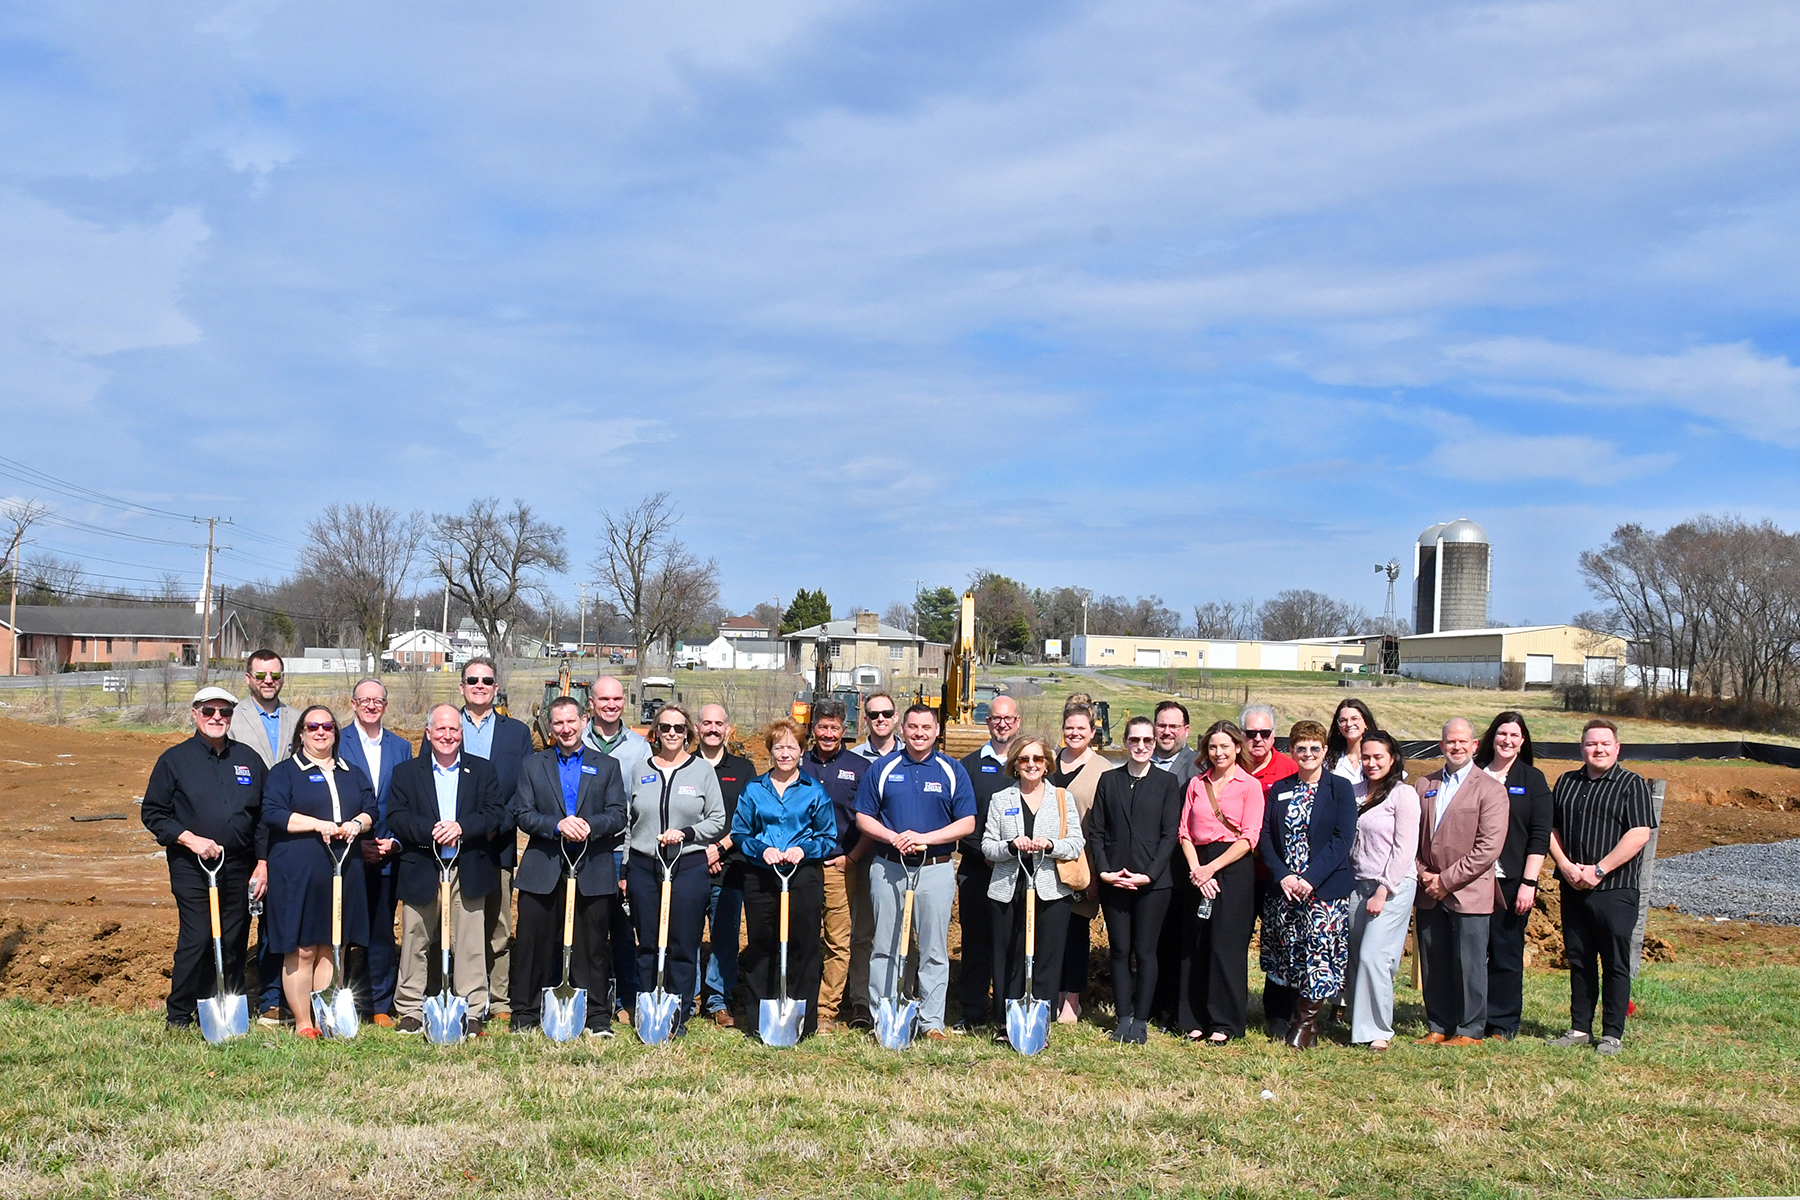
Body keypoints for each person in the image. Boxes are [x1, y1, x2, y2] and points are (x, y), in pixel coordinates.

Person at [140, 686, 268, 1030]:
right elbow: (154, 812)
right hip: (192, 866)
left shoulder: (249, 760)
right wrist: (190, 839)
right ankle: (179, 1013)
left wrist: (262, 862)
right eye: (209, 711)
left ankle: (221, 1005)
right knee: (197, 938)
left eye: (224, 712)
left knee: (234, 938)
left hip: (239, 865)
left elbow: (262, 818)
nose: (217, 718)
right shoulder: (175, 760)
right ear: (195, 714)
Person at [854, 703, 977, 1041]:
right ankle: (885, 1015)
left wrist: (924, 839)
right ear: (902, 729)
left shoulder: (953, 770)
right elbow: (863, 816)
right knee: (886, 945)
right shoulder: (882, 767)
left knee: (934, 948)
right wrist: (894, 838)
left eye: (926, 727)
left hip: (935, 870)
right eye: (913, 727)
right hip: (889, 867)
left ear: (937, 731)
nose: (919, 733)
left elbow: (967, 822)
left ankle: (931, 1021)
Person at [509, 696, 628, 1037]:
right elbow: (522, 813)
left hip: (592, 867)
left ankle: (596, 1018)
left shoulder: (606, 766)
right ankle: (525, 1015)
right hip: (543, 867)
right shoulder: (534, 765)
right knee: (533, 943)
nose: (565, 728)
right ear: (550, 726)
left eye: (571, 721)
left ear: (583, 721)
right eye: (557, 723)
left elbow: (618, 814)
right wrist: (557, 825)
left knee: (592, 946)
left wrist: (590, 825)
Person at [388, 704, 506, 1036]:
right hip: (423, 866)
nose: (447, 736)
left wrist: (461, 828)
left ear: (461, 734)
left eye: (453, 729)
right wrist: (432, 830)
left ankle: (471, 1010)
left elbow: (494, 813)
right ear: (428, 733)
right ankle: (410, 1008)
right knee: (415, 938)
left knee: (469, 942)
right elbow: (396, 816)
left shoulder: (482, 771)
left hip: (467, 866)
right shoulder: (406, 773)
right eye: (440, 729)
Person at [263, 705, 375, 1038]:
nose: (321, 731)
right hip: (298, 869)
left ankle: (326, 1017)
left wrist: (357, 824)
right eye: (313, 727)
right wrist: (318, 825)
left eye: (327, 726)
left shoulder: (351, 771)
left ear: (336, 733)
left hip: (343, 869)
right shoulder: (285, 772)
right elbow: (273, 813)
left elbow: (370, 810)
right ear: (301, 733)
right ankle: (303, 1022)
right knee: (303, 947)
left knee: (333, 944)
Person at [1547, 719, 1657, 1057]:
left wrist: (1599, 869)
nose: (1598, 749)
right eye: (1591, 744)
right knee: (1580, 960)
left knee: (1613, 962)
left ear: (1617, 748)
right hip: (1573, 885)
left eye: (1605, 744)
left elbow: (1640, 833)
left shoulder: (1631, 784)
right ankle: (1580, 1028)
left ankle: (1612, 1034)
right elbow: (1550, 828)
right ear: (1581, 748)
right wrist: (1565, 866)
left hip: (1615, 889)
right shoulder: (1566, 782)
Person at [624, 702, 726, 1039]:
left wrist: (688, 834)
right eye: (665, 728)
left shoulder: (702, 771)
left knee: (683, 942)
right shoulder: (640, 770)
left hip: (688, 865)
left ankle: (677, 1012)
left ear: (688, 734)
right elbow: (628, 822)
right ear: (655, 733)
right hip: (644, 865)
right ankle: (648, 1003)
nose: (671, 734)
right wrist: (625, 866)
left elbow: (718, 819)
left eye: (678, 729)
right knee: (648, 941)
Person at [734, 719, 837, 1041]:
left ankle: (801, 1023)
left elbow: (828, 836)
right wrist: (760, 849)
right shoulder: (754, 790)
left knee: (803, 946)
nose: (785, 753)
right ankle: (758, 1019)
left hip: (801, 876)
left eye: (792, 747)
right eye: (779, 747)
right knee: (762, 945)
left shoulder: (814, 791)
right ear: (770, 751)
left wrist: (802, 849)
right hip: (761, 877)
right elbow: (740, 832)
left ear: (801, 751)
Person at [1258, 720, 1358, 1049]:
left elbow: (1342, 840)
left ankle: (1304, 1023)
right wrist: (1284, 876)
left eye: (1315, 748)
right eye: (1301, 748)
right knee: (1291, 956)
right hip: (1285, 890)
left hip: (1323, 891)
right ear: (1292, 751)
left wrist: (1309, 879)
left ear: (1325, 751)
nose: (1308, 754)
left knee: (1319, 956)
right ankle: (1300, 1021)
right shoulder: (1281, 788)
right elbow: (1266, 838)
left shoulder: (1339, 788)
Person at [982, 734, 1084, 1043]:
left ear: (1046, 764)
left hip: (1051, 890)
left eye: (1037, 759)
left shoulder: (1062, 799)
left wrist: (1051, 845)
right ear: (1014, 764)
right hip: (1008, 888)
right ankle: (1004, 1022)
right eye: (1024, 759)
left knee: (1048, 956)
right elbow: (988, 845)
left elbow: (1076, 842)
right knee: (1007, 956)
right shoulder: (1002, 799)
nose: (1031, 765)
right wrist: (1011, 847)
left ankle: (1039, 1020)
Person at [1413, 717, 1509, 1046]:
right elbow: (1412, 837)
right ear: (1441, 746)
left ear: (1474, 746)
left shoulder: (1491, 790)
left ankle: (1470, 1029)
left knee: (1469, 963)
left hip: (1469, 892)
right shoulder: (1423, 785)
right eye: (1449, 742)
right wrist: (1424, 874)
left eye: (1462, 742)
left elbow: (1488, 849)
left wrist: (1446, 880)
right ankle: (1439, 1024)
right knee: (1433, 960)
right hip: (1428, 891)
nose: (1455, 747)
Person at [1089, 716, 1181, 1044]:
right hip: (1114, 879)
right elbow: (1096, 830)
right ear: (1125, 743)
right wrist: (1103, 871)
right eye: (1135, 740)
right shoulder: (1109, 780)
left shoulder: (1167, 784)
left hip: (1152, 885)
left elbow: (1169, 835)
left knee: (1145, 951)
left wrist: (1148, 875)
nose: (1141, 747)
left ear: (1154, 744)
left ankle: (1141, 1020)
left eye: (1147, 741)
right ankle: (1122, 1017)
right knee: (1119, 950)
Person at [456, 656, 534, 1025]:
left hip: (497, 840)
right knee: (458, 922)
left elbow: (525, 788)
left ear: (496, 687)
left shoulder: (515, 732)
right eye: (473, 679)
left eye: (487, 680)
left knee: (498, 923)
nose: (480, 685)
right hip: (452, 843)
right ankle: (461, 992)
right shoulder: (445, 725)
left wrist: (496, 825)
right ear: (462, 686)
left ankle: (499, 997)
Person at [1176, 720, 1264, 1043]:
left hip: (1232, 867)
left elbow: (1249, 838)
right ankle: (1194, 1018)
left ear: (1237, 748)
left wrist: (1212, 868)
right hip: (1197, 867)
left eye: (1225, 746)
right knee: (1196, 944)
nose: (1218, 752)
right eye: (1213, 747)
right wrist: (1198, 870)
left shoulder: (1249, 786)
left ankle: (1224, 1022)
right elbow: (1184, 832)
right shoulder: (1197, 785)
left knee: (1226, 945)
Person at [1475, 711, 1553, 1041]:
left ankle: (1502, 1024)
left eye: (1514, 735)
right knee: (1471, 954)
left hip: (1511, 882)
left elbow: (1539, 834)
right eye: (1502, 733)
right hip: (1472, 881)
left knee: (1506, 954)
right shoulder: (1473, 775)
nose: (1507, 740)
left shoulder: (1532, 780)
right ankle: (1469, 1020)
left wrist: (1529, 882)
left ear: (1522, 742)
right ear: (1492, 737)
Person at [339, 677, 412, 1027]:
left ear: (385, 705)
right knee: (339, 931)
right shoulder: (337, 741)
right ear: (352, 704)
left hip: (387, 854)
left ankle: (380, 1004)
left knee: (381, 932)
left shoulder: (401, 747)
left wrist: (394, 841)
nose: (371, 705)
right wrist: (355, 841)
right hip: (346, 854)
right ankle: (336, 996)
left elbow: (408, 800)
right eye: (364, 700)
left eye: (378, 700)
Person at [1344, 731, 1420, 1050]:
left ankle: (1378, 1030)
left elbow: (1404, 848)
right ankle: (1357, 1022)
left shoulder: (1403, 795)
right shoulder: (1353, 792)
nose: (1372, 763)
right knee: (1358, 955)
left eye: (1379, 757)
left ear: (1392, 759)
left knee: (1376, 955)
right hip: (1355, 884)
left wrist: (1384, 890)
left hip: (1391, 885)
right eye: (1366, 757)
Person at [227, 648, 291, 1024]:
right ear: (249, 678)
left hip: (285, 832)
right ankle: (232, 992)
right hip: (245, 831)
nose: (269, 681)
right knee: (239, 919)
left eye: (275, 675)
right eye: (262, 675)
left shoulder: (298, 720)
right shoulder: (229, 718)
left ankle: (272, 997)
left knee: (277, 921)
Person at [584, 675, 652, 1025]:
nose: (611, 705)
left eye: (617, 699)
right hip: (580, 851)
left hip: (620, 850)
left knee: (623, 929)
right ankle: (587, 996)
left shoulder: (639, 748)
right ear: (591, 702)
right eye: (604, 699)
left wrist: (628, 860)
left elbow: (641, 806)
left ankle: (628, 997)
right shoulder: (576, 739)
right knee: (585, 927)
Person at [954, 693, 1021, 1031]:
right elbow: (961, 821)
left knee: (1013, 941)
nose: (1002, 723)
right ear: (987, 722)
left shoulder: (1029, 763)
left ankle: (1009, 1010)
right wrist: (987, 854)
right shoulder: (968, 766)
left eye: (1008, 718)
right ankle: (974, 1010)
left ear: (1018, 722)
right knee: (976, 942)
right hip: (978, 870)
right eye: (996, 718)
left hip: (1019, 872)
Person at [803, 699, 871, 1029]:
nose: (828, 734)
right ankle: (801, 1000)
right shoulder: (797, 763)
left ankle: (827, 1010)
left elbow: (870, 818)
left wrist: (853, 857)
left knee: (837, 940)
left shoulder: (859, 768)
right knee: (800, 935)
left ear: (844, 731)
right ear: (812, 729)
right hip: (800, 867)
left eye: (834, 728)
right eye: (822, 727)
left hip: (839, 865)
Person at [1241, 703, 1299, 1037]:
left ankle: (1278, 1014)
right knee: (1234, 941)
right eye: (1251, 734)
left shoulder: (1290, 769)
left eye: (1265, 734)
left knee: (1280, 943)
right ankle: (1232, 1005)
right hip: (1239, 874)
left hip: (1278, 874)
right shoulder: (1230, 766)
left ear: (1274, 736)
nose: (1258, 740)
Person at [1051, 702, 1111, 1023]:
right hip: (1046, 863)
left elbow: (1103, 824)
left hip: (1081, 866)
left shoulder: (1103, 770)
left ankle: (1071, 999)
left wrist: (1096, 874)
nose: (1074, 733)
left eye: (1081, 728)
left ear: (1092, 732)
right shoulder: (1048, 762)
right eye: (1069, 728)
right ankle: (1051, 993)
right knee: (1049, 930)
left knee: (1075, 932)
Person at [697, 703, 755, 1027]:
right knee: (687, 936)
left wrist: (718, 848)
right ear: (698, 728)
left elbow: (749, 818)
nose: (713, 729)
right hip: (689, 866)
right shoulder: (685, 765)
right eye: (707, 723)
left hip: (731, 866)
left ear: (728, 729)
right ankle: (687, 997)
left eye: (719, 723)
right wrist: (698, 852)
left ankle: (719, 1000)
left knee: (725, 938)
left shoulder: (744, 770)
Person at [1325, 698, 1376, 786]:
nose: (1349, 724)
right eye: (1343, 720)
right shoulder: (1328, 761)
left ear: (1366, 722)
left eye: (1354, 719)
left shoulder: (1380, 757)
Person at [1149, 702, 1199, 789]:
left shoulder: (1197, 766)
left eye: (1173, 726)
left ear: (1186, 730)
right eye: (1162, 726)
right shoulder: (1141, 759)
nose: (1167, 732)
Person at [850, 693, 900, 762]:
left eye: (887, 713)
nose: (881, 719)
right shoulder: (853, 758)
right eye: (874, 714)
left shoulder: (911, 755)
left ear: (895, 718)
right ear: (866, 720)